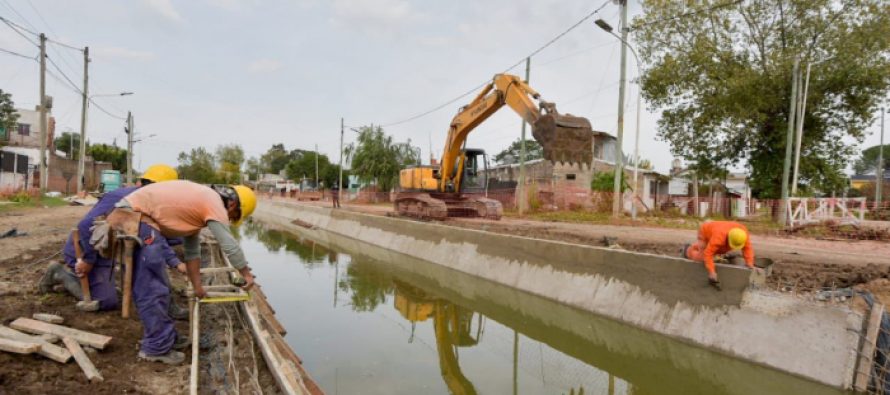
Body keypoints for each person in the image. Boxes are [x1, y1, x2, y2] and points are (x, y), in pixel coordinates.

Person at [111, 180, 257, 364]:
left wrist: (198, 287)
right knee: (152, 288)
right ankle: (156, 348)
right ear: (233, 204)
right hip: (137, 219)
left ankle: (165, 337)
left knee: (157, 285)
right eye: (233, 216)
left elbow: (192, 252)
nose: (228, 220)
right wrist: (246, 273)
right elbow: (229, 244)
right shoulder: (215, 203)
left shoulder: (198, 206)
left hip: (137, 218)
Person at [38, 164, 183, 312]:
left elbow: (156, 235)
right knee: (106, 302)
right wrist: (88, 260)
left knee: (152, 253)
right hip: (87, 249)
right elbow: (86, 226)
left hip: (108, 250)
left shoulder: (150, 204)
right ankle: (59, 273)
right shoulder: (124, 200)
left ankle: (168, 305)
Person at [683, 220, 757, 284]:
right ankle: (688, 250)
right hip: (705, 231)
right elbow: (708, 254)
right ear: (728, 237)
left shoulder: (743, 233)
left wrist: (750, 263)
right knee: (702, 258)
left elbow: (748, 248)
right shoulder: (719, 237)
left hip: (715, 232)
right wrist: (712, 271)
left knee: (720, 250)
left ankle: (703, 248)